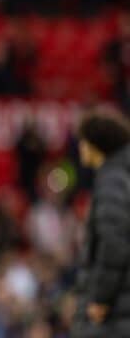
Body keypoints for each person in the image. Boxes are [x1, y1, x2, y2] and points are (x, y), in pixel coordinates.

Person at [71, 107, 130, 338]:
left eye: (83, 141)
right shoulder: (121, 176)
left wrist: (100, 298)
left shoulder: (112, 182)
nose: (80, 147)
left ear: (96, 144)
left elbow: (114, 243)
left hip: (113, 313)